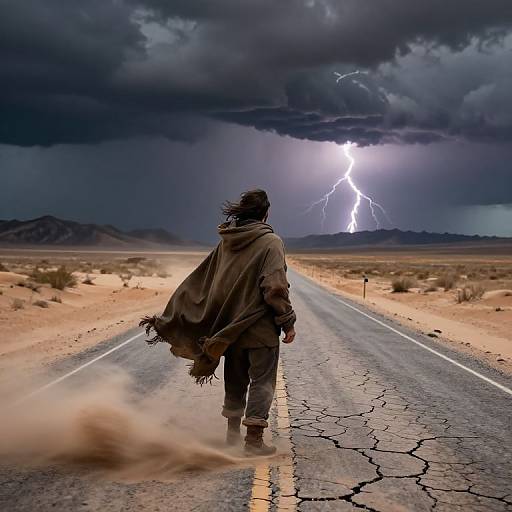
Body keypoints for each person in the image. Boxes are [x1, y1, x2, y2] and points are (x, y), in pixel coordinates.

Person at [140, 189, 296, 456]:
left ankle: (232, 436)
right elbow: (274, 287)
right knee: (262, 380)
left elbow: (207, 280)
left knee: (235, 379)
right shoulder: (271, 242)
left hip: (230, 328)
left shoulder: (227, 241)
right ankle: (254, 441)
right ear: (265, 213)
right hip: (259, 327)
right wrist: (287, 321)